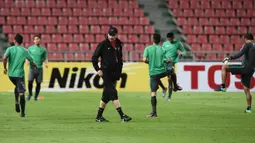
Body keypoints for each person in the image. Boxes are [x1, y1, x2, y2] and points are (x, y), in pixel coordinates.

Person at [92, 26, 132, 122]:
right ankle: (122, 116)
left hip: (115, 73)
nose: (111, 37)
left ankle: (99, 117)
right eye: (110, 35)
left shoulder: (118, 44)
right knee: (113, 92)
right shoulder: (103, 44)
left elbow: (120, 59)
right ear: (107, 34)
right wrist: (97, 69)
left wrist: (119, 72)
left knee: (106, 95)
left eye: (113, 35)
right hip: (105, 72)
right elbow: (94, 58)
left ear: (116, 35)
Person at [214, 33, 255, 113]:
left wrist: (230, 58)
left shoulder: (247, 45)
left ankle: (223, 87)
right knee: (246, 89)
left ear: (245, 39)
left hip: (244, 67)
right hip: (251, 70)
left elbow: (240, 54)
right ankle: (249, 108)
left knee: (224, 67)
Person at [3, 34, 37, 117]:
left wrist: (5, 68)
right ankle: (22, 112)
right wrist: (35, 66)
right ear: (22, 42)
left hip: (11, 75)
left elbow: (4, 58)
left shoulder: (10, 49)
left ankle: (16, 101)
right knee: (21, 92)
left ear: (14, 40)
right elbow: (31, 61)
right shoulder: (25, 51)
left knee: (17, 86)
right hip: (20, 75)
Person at [143, 33, 171, 117]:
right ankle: (169, 87)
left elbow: (144, 60)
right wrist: (168, 61)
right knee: (171, 71)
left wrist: (150, 62)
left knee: (153, 92)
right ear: (160, 41)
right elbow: (168, 59)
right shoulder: (163, 49)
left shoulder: (148, 49)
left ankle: (154, 113)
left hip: (153, 72)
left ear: (152, 40)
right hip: (162, 72)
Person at [158, 32, 185, 101]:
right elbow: (162, 53)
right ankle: (174, 86)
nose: (170, 40)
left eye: (171, 38)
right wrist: (164, 59)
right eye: (169, 39)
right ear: (167, 38)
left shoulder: (178, 43)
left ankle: (169, 96)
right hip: (165, 63)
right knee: (156, 76)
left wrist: (181, 53)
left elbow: (184, 51)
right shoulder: (165, 44)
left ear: (173, 37)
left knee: (170, 78)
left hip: (172, 63)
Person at [26, 34, 48, 101]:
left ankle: (36, 96)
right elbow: (27, 56)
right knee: (30, 82)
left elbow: (45, 58)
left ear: (40, 40)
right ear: (33, 40)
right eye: (35, 39)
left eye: (37, 39)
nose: (36, 40)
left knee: (38, 83)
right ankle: (30, 94)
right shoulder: (30, 48)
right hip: (32, 69)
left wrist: (46, 63)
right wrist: (27, 61)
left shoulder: (43, 49)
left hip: (39, 69)